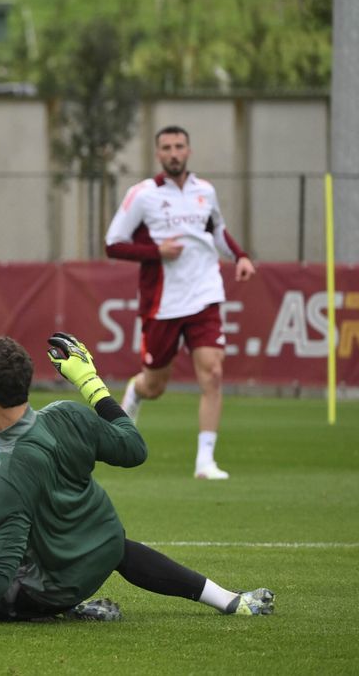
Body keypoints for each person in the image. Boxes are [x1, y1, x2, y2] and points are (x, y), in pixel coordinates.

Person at [0, 333, 273, 637]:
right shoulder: (66, 415)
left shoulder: (7, 468)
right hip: (105, 550)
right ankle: (230, 600)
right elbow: (134, 448)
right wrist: (89, 380)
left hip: (52, 587)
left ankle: (63, 608)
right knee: (108, 542)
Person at [105, 126, 256, 480]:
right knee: (155, 385)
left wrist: (241, 256)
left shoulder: (205, 191)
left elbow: (217, 230)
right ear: (158, 154)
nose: (174, 153)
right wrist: (155, 251)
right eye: (167, 147)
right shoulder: (142, 195)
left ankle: (205, 461)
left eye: (179, 146)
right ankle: (136, 391)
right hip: (163, 302)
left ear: (189, 150)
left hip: (205, 293)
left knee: (213, 373)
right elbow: (113, 244)